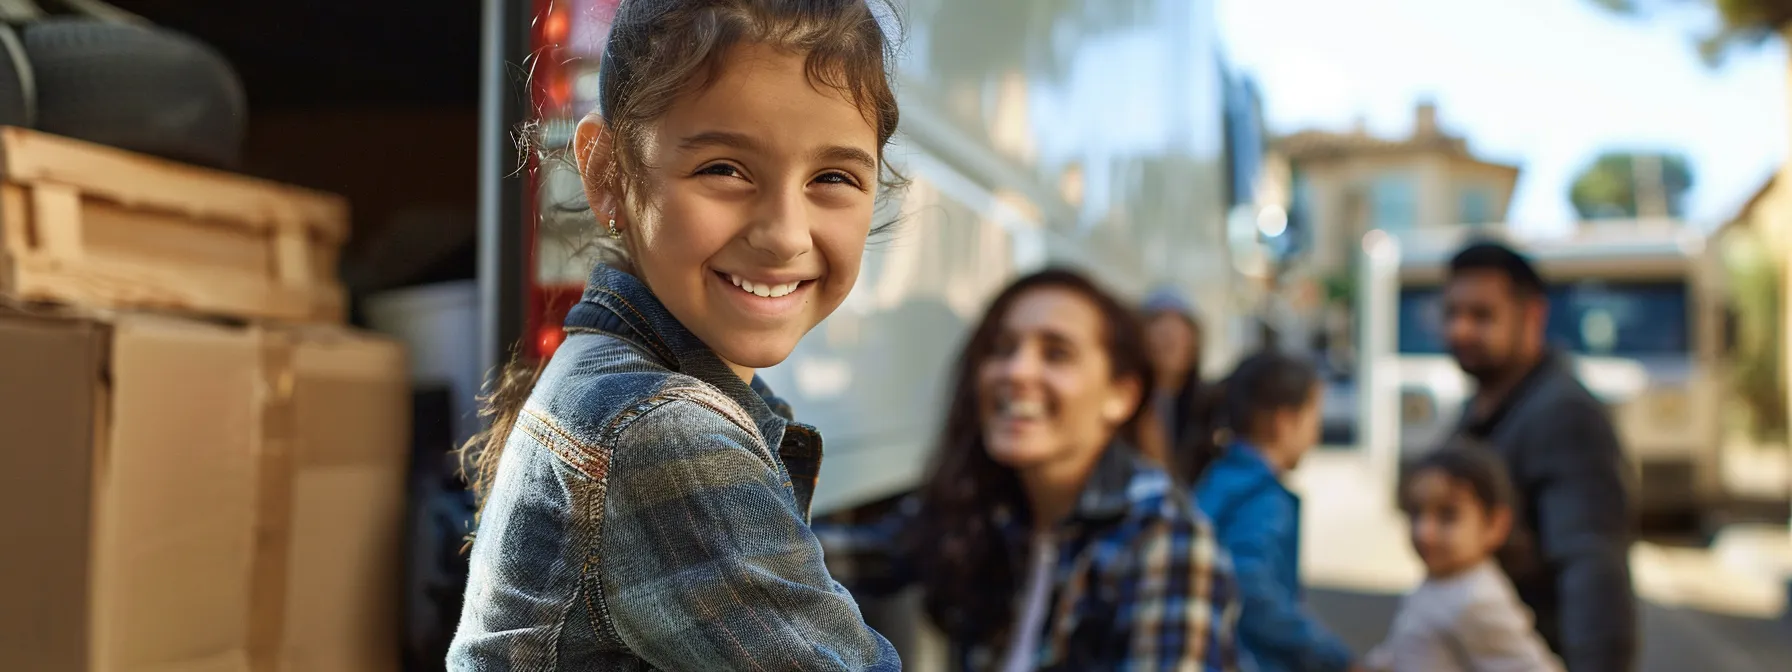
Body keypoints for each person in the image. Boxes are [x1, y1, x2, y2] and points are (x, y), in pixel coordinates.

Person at [448, 0, 903, 668]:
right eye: (724, 169)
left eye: (832, 178)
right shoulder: (660, 430)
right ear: (609, 175)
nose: (784, 234)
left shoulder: (622, 387)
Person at [820, 269, 1241, 671]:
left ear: (1121, 395)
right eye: (1002, 349)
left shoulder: (1166, 538)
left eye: (1057, 353)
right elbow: (826, 554)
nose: (1017, 371)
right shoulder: (990, 503)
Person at [1440, 241, 1636, 672]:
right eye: (1452, 314)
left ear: (1532, 317)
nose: (1460, 330)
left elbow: (1592, 570)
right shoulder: (1479, 410)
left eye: (1481, 315)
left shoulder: (1565, 415)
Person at [1193, 351, 1360, 672]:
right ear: (1284, 422)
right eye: (1315, 418)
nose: (1317, 434)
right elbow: (1253, 592)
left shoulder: (1219, 477)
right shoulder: (1261, 498)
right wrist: (1335, 657)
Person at [1365, 441, 1564, 672]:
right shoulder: (1442, 580)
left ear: (1495, 525)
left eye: (1447, 515)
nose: (1424, 531)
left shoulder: (1477, 601)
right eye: (1416, 513)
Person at [1142, 286, 1216, 483]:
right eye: (1158, 323)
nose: (1168, 334)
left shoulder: (1209, 408)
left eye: (1179, 327)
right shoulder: (1125, 406)